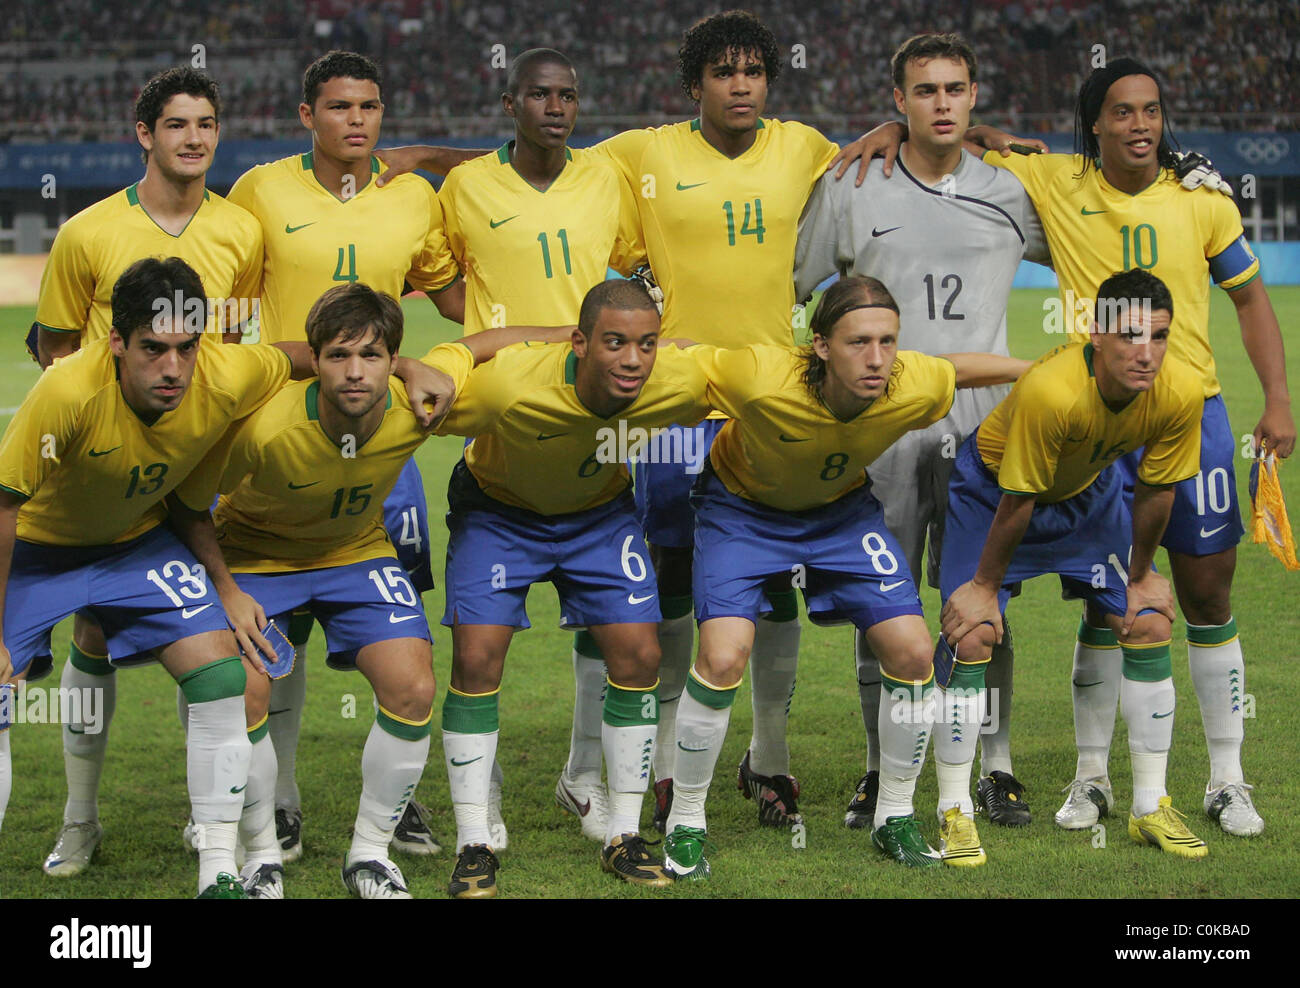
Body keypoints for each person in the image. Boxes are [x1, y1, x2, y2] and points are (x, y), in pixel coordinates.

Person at [374, 11, 1034, 833]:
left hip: (773, 395)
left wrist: (938, 125)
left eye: (754, 71)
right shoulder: (642, 152)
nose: (741, 85)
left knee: (775, 585)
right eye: (723, 73)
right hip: (674, 393)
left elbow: (897, 144)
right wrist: (421, 158)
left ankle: (771, 756)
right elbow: (538, 151)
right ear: (696, 86)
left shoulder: (800, 147)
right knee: (671, 578)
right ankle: (641, 765)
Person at [977, 59, 1293, 837]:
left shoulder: (1202, 201)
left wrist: (1279, 400)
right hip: (1100, 420)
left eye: (1151, 111)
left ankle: (1228, 780)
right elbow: (961, 138)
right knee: (1106, 596)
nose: (1140, 125)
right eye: (1122, 112)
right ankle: (1092, 780)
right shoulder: (1054, 180)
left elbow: (1249, 298)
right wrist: (913, 130)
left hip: (1196, 413)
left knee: (1209, 597)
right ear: (1095, 122)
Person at [172, 283, 553, 897]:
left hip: (355, 552)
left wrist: (581, 338)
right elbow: (188, 505)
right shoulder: (262, 428)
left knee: (414, 685)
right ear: (314, 361)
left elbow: (486, 344)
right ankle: (262, 855)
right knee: (241, 697)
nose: (354, 374)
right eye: (338, 357)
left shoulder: (421, 405)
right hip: (254, 556)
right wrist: (225, 588)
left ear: (395, 362)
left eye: (373, 357)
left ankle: (370, 856)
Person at [659, 275, 1028, 877]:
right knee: (723, 658)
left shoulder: (907, 382)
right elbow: (679, 362)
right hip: (742, 513)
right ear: (820, 345)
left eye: (888, 341)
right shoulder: (758, 374)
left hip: (839, 515)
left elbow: (954, 369)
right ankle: (687, 823)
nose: (877, 358)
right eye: (859, 342)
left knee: (912, 652)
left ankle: (895, 816)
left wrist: (1033, 368)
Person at [794, 32, 1050, 833]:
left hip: (989, 424)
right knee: (887, 599)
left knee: (985, 595)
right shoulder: (852, 184)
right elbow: (796, 292)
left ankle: (995, 766)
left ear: (975, 99)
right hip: (883, 425)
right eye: (925, 90)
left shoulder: (1014, 189)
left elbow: (1089, 240)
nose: (942, 103)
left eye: (956, 90)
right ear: (897, 101)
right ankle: (881, 768)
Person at [225, 49, 464, 861]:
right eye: (337, 107)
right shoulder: (259, 190)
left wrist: (432, 157)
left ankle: (399, 806)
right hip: (282, 438)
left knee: (400, 635)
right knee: (272, 629)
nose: (355, 121)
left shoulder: (412, 197)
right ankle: (280, 797)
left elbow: (456, 291)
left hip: (383, 450)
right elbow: (228, 301)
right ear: (307, 117)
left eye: (368, 107)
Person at [1, 257, 304, 896]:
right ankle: (79, 821)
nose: (172, 368)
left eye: (186, 348)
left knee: (224, 676)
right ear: (116, 340)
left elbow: (298, 356)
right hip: (36, 548)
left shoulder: (226, 374)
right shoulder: (67, 392)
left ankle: (219, 868)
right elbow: (3, 504)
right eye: (153, 349)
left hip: (136, 546)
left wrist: (407, 364)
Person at [28, 69, 266, 879]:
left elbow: (240, 346)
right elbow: (55, 347)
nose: (194, 139)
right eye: (176, 124)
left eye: (206, 124)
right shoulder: (87, 233)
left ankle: (214, 828)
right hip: (98, 474)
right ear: (144, 134)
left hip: (189, 468)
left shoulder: (241, 231)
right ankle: (78, 820)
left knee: (200, 643)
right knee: (92, 635)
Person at [433, 279, 715, 898]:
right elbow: (435, 391)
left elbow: (748, 374)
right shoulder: (510, 385)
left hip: (599, 515)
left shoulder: (677, 380)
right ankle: (473, 842)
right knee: (477, 659)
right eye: (614, 343)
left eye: (646, 345)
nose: (632, 360)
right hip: (498, 512)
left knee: (642, 655)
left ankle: (624, 833)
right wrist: (439, 363)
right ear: (580, 342)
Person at [431, 47, 644, 843]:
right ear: (508, 100)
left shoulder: (607, 179)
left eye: (567, 96)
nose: (556, 107)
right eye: (539, 95)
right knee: (481, 651)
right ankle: (476, 803)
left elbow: (626, 274)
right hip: (508, 411)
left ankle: (583, 776)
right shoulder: (466, 186)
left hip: (596, 407)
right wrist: (490, 338)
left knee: (613, 630)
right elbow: (440, 277)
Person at [939, 268, 1209, 860]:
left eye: (1160, 337)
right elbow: (1018, 501)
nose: (1147, 354)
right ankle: (954, 809)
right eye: (1131, 335)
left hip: (1087, 495)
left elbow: (1158, 490)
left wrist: (1141, 575)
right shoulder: (1052, 389)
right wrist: (984, 588)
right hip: (994, 494)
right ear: (1095, 333)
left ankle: (1149, 807)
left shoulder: (1182, 391)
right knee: (974, 633)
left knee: (1148, 622)